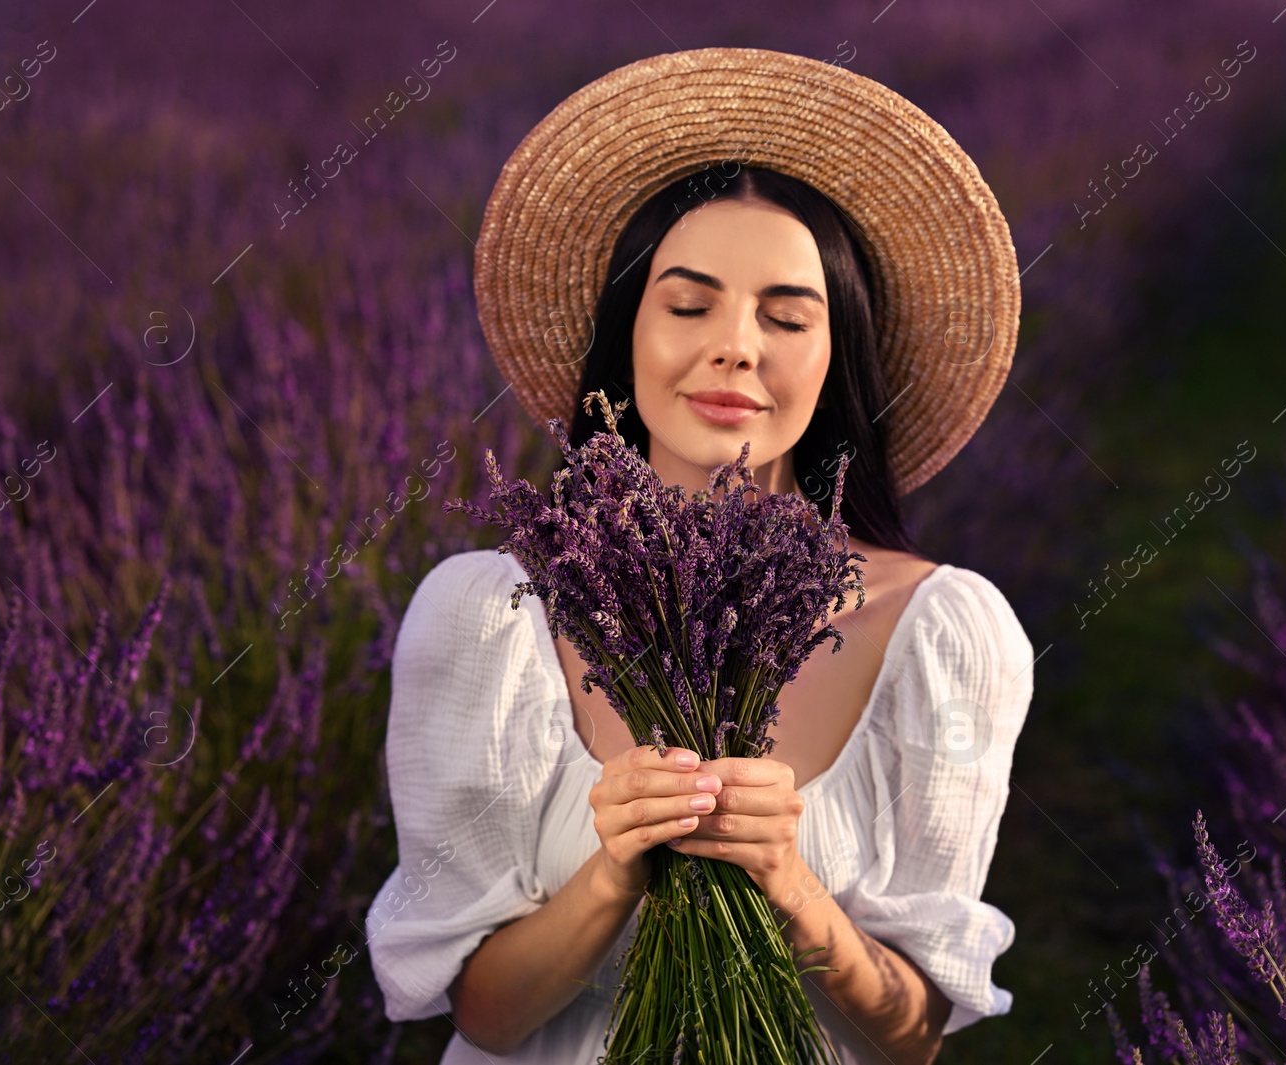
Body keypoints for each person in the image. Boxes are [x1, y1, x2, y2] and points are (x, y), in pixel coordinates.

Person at [367, 46, 1035, 1065]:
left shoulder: (940, 630)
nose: (735, 346)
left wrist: (792, 885)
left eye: (786, 316)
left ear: (834, 356)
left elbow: (912, 1039)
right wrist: (610, 874)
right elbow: (484, 1016)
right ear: (625, 337)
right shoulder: (488, 617)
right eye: (687, 305)